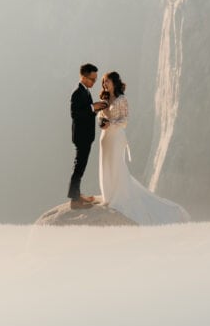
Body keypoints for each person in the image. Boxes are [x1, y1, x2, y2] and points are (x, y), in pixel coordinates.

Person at [98, 71, 190, 224]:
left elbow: (125, 120)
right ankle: (108, 194)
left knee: (117, 165)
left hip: (116, 137)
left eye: (107, 81)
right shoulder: (105, 99)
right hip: (105, 138)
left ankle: (118, 196)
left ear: (114, 82)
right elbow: (100, 116)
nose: (104, 84)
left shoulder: (122, 99)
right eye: (103, 82)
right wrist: (101, 121)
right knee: (105, 164)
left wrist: (111, 124)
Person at [67, 63, 107, 209]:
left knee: (81, 166)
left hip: (86, 135)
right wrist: (92, 107)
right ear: (83, 77)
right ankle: (75, 200)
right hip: (81, 136)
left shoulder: (86, 91)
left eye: (95, 80)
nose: (94, 82)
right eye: (92, 79)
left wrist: (96, 109)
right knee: (79, 166)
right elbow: (75, 115)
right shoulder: (77, 93)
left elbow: (86, 112)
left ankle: (77, 194)